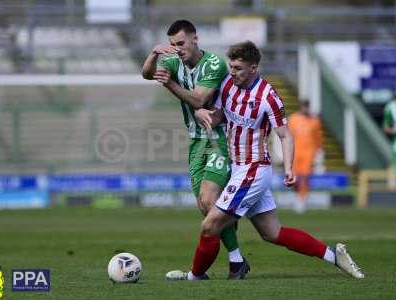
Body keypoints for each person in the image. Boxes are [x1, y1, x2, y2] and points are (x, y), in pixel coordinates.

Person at [166, 41, 364, 281]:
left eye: (238, 68)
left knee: (210, 225)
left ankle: (194, 276)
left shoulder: (269, 97)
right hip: (237, 166)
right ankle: (334, 256)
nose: (233, 72)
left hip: (253, 170)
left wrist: (289, 168)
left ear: (253, 68)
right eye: (231, 66)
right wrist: (202, 113)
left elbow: (285, 135)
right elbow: (218, 117)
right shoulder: (227, 85)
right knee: (272, 232)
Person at [142, 20, 249, 279]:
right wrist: (155, 54)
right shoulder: (173, 60)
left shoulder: (213, 64)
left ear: (195, 39)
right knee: (205, 206)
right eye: (172, 45)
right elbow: (146, 74)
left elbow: (200, 99)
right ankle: (235, 256)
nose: (177, 49)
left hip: (218, 139)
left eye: (181, 43)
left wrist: (171, 85)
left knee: (210, 201)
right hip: (195, 142)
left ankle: (233, 261)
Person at [288, 101, 323, 213]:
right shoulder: (293, 119)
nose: (305, 109)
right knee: (294, 178)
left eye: (307, 107)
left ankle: (302, 200)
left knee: (305, 177)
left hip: (309, 153)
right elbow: (287, 136)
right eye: (304, 107)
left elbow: (318, 138)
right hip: (295, 152)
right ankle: (297, 196)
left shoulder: (314, 121)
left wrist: (319, 151)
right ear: (301, 107)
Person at [382, 98, 396, 188]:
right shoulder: (391, 106)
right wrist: (393, 130)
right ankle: (391, 187)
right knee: (394, 165)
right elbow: (385, 127)